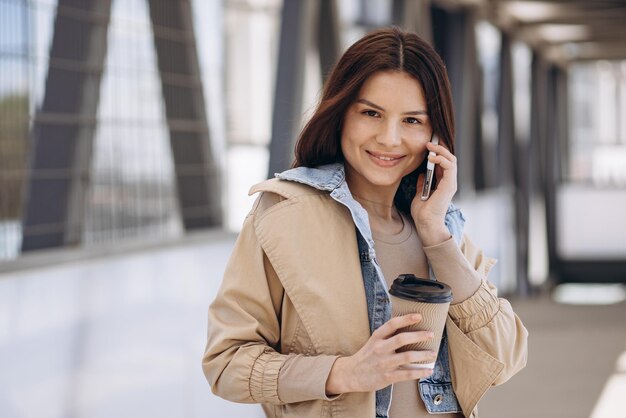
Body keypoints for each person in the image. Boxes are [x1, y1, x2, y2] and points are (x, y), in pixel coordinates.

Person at [202, 27, 528, 418]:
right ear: (341, 115)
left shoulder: (446, 230)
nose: (390, 138)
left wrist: (435, 235)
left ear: (434, 134)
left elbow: (506, 358)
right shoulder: (283, 215)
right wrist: (344, 373)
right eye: (371, 113)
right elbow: (226, 364)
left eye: (411, 120)